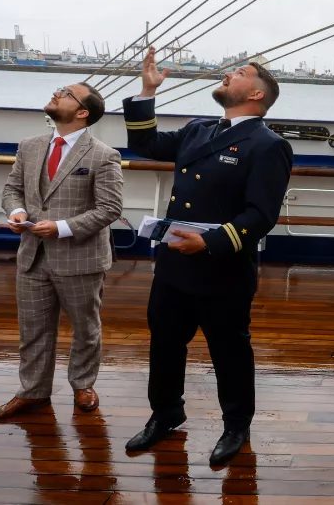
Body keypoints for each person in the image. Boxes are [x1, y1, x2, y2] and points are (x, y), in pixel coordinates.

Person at [121, 48, 293, 466]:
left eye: (239, 72)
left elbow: (260, 215)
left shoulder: (268, 145)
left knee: (229, 352)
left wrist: (211, 243)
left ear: (255, 94)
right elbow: (145, 143)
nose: (228, 74)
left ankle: (236, 425)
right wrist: (147, 90)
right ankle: (165, 414)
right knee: (165, 344)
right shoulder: (199, 130)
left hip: (224, 268)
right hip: (175, 264)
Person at [0, 83, 124, 421]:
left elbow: (110, 208)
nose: (56, 93)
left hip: (80, 257)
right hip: (32, 255)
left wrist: (61, 227)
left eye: (66, 93)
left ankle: (82, 384)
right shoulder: (29, 147)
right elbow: (12, 189)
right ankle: (32, 392)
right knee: (32, 329)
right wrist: (15, 212)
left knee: (85, 327)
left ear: (82, 112)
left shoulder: (103, 155)